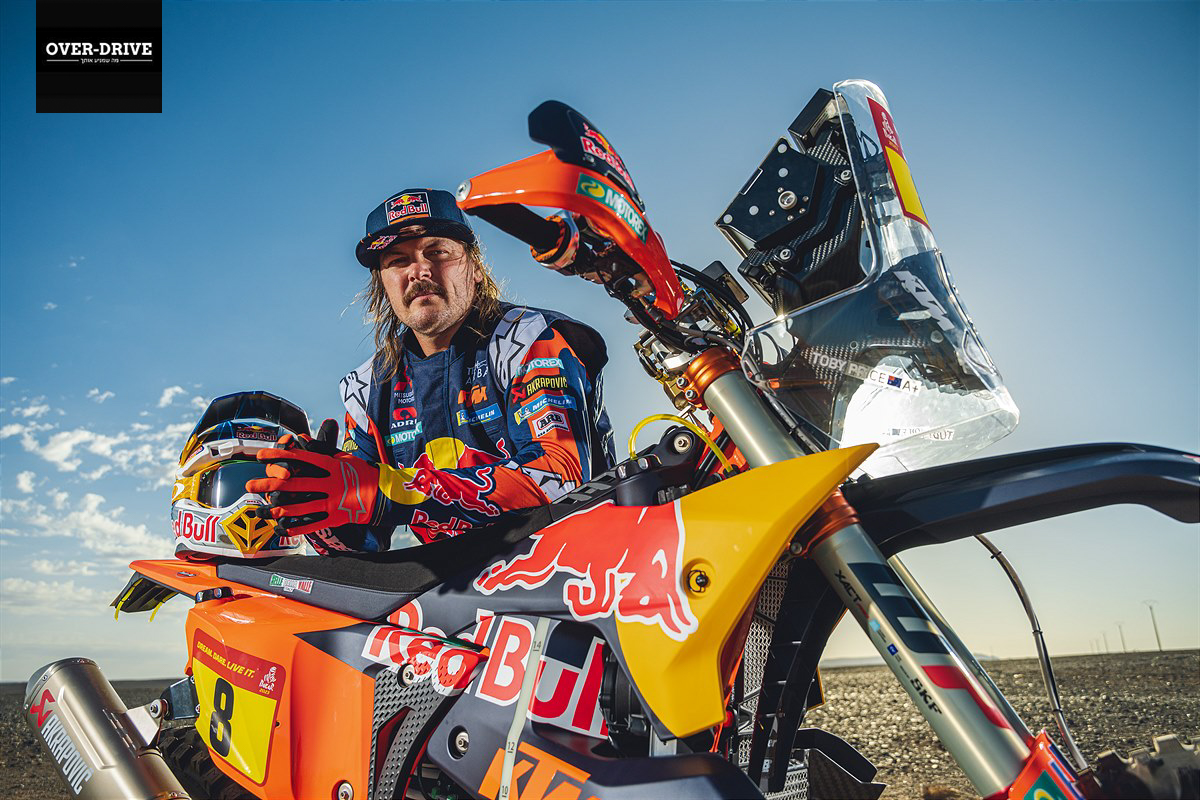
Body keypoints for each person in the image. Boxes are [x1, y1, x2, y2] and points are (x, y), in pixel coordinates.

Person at [248, 188, 614, 552]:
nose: (419, 270)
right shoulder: (367, 387)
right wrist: (311, 503)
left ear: (475, 268)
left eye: (437, 252)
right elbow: (364, 544)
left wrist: (387, 490)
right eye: (398, 260)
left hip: (576, 565)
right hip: (451, 584)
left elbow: (558, 481)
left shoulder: (528, 339)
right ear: (383, 284)